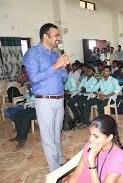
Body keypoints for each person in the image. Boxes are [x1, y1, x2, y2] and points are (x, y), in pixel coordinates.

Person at [23, 23, 70, 171]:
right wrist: (55, 66)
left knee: (57, 132)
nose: (58, 38)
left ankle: (60, 158)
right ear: (45, 36)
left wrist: (64, 68)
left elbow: (63, 79)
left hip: (59, 98)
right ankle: (55, 170)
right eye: (56, 35)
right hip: (44, 100)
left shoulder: (56, 54)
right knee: (48, 136)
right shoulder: (33, 53)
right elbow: (34, 78)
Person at [68, 115, 123, 183]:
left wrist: (91, 162)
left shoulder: (118, 157)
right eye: (91, 134)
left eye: (96, 136)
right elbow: (76, 174)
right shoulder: (91, 144)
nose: (90, 139)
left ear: (110, 137)